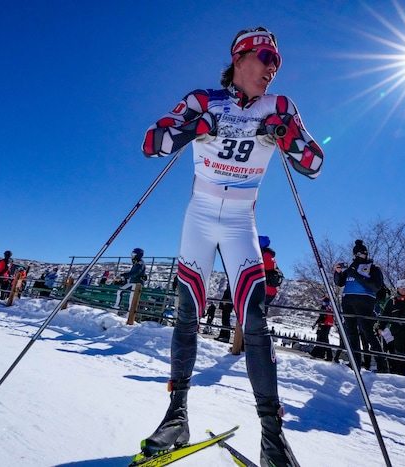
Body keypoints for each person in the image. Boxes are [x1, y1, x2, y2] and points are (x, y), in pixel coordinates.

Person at [139, 26, 323, 466]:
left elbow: (314, 164)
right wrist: (195, 128)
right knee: (187, 315)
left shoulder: (280, 106)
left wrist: (286, 135)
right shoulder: (203, 99)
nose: (273, 68)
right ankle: (176, 415)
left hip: (242, 220)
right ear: (239, 59)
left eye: (277, 61)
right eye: (265, 58)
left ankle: (273, 440)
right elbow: (151, 143)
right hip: (200, 217)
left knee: (255, 322)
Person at [333, 240, 388, 373]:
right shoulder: (351, 267)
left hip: (365, 301)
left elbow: (375, 286)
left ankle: (382, 365)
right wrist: (338, 272)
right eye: (357, 254)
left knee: (367, 332)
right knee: (351, 333)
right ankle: (355, 363)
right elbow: (339, 283)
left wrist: (356, 275)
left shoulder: (373, 267)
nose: (360, 256)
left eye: (362, 253)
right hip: (348, 300)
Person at [259, 235, 281, 305]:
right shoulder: (269, 255)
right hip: (272, 290)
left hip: (264, 288)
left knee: (256, 311)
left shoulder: (262, 255)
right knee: (262, 310)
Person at [311, 296, 334, 361]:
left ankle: (316, 353)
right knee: (325, 340)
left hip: (323, 325)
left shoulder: (324, 307)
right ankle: (322, 354)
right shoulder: (330, 308)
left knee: (321, 339)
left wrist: (315, 324)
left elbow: (321, 317)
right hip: (328, 325)